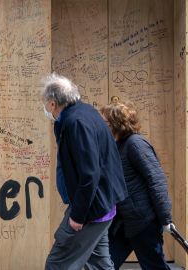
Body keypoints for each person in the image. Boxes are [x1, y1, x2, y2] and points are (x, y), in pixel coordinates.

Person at [42, 73, 128, 270]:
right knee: (99, 264)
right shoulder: (85, 112)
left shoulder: (76, 123)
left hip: (91, 210)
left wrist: (78, 216)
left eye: (46, 103)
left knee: (57, 264)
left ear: (53, 103)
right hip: (102, 205)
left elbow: (89, 174)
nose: (46, 108)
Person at [100, 101, 173, 270]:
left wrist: (165, 219)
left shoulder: (136, 144)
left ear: (117, 124)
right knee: (104, 264)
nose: (103, 127)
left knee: (154, 266)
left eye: (106, 124)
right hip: (123, 222)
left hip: (143, 221)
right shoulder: (117, 146)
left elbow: (156, 180)